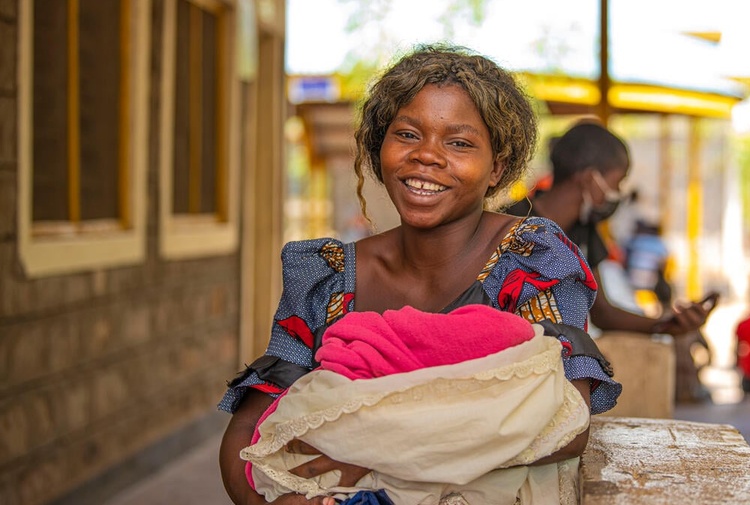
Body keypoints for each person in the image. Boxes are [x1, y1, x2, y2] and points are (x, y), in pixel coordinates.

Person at [218, 44, 621, 505]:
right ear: (379, 148)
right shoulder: (328, 278)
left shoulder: (532, 263)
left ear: (498, 168)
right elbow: (249, 427)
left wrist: (374, 455)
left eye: (459, 142)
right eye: (408, 135)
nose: (427, 156)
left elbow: (565, 424)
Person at [505, 120, 714, 338]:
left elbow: (603, 313)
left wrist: (665, 324)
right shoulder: (509, 221)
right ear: (589, 179)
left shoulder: (583, 232)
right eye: (617, 183)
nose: (617, 193)